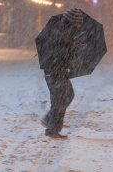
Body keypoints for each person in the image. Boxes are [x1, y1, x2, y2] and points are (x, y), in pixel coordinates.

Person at [39, 8, 84, 139]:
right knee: (61, 98)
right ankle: (52, 129)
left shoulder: (64, 30)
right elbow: (61, 52)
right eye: (78, 23)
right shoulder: (63, 32)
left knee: (66, 95)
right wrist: (74, 47)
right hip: (55, 69)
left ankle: (49, 120)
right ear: (72, 21)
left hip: (56, 69)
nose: (79, 25)